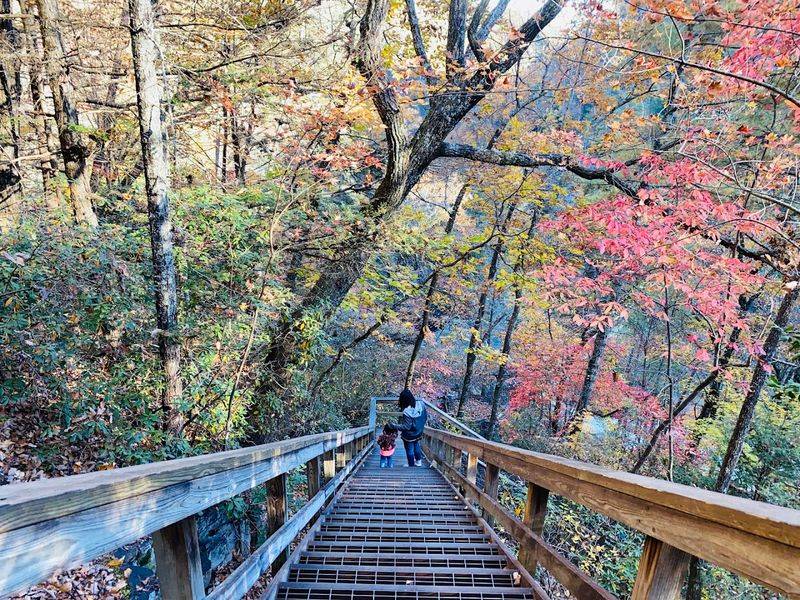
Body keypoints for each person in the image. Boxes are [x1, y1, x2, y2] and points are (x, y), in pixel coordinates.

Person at [387, 388, 428, 467]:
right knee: (416, 445)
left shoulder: (407, 411)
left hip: (409, 434)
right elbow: (425, 417)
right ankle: (418, 462)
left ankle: (411, 464)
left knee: (409, 449)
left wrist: (393, 425)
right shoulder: (420, 404)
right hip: (418, 431)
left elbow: (406, 426)